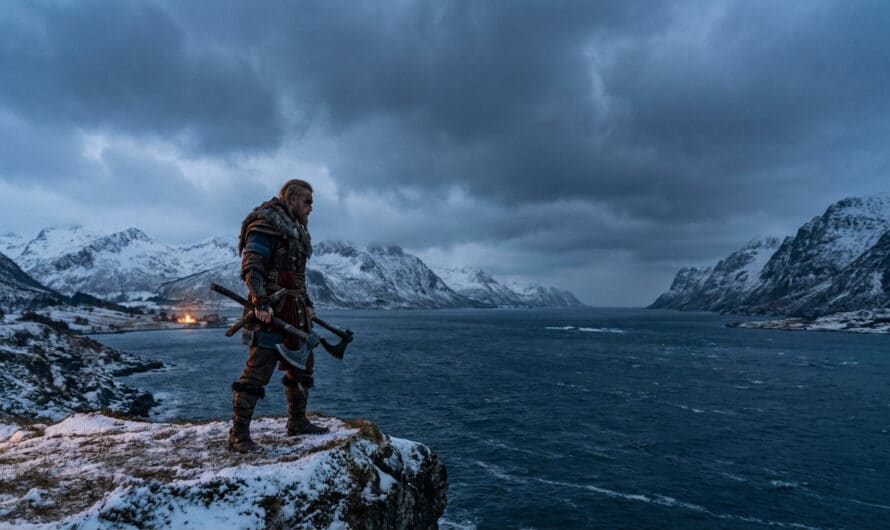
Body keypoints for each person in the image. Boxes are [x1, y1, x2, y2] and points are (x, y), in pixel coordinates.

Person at [228, 179, 328, 453]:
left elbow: (297, 276)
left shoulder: (297, 231)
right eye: (307, 201)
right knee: (258, 369)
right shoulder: (265, 224)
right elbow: (253, 266)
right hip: (269, 310)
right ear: (292, 199)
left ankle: (297, 422)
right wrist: (259, 301)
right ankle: (238, 435)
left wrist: (306, 303)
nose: (311, 208)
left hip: (295, 311)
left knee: (303, 365)